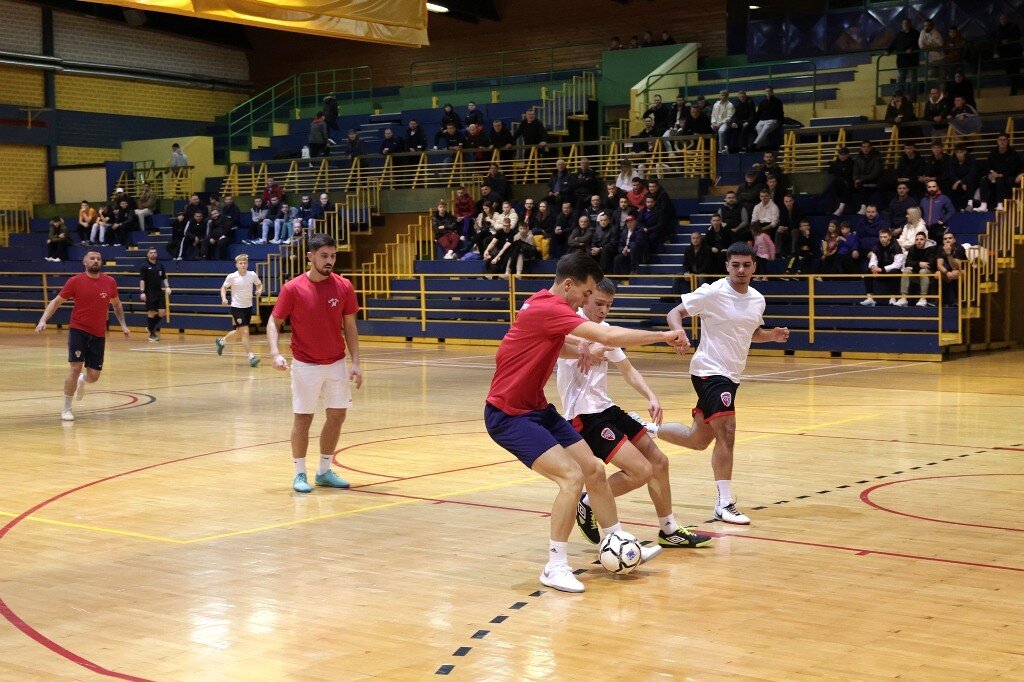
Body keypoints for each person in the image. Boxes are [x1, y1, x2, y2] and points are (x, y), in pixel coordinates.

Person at [484, 252, 688, 593]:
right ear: (568, 286)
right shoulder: (551, 308)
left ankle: (614, 540)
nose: (588, 299)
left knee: (593, 469)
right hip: (508, 415)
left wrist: (577, 347)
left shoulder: (538, 303)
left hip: (537, 408)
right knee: (572, 476)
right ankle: (555, 565)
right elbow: (607, 338)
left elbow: (551, 345)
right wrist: (664, 336)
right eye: (587, 291)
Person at [556, 279, 713, 549]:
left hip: (606, 408)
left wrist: (651, 396)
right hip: (584, 416)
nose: (604, 310)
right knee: (640, 471)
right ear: (586, 298)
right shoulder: (571, 324)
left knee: (659, 461)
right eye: (599, 304)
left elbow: (627, 370)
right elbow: (556, 341)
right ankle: (589, 501)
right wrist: (583, 346)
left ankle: (669, 529)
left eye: (609, 305)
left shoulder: (605, 331)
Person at [660, 242, 789, 524]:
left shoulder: (757, 299)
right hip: (708, 369)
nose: (741, 270)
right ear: (727, 266)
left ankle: (644, 430)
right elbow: (675, 313)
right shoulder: (713, 292)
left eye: (746, 265)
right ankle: (724, 503)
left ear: (755, 266)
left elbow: (752, 333)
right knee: (727, 430)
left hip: (732, 375)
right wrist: (678, 332)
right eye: (735, 265)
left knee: (698, 439)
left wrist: (773, 336)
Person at [267, 233, 362, 493]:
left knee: (337, 415)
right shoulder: (293, 288)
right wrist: (275, 352)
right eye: (324, 256)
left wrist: (356, 362)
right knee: (303, 418)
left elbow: (350, 327)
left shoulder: (343, 286)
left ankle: (323, 471)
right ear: (310, 257)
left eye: (333, 256)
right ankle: (299, 474)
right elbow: (273, 322)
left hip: (336, 363)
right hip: (305, 364)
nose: (329, 260)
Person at [34, 251, 130, 422]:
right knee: (75, 367)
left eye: (99, 259)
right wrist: (43, 320)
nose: (96, 261)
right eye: (92, 258)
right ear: (84, 262)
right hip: (79, 330)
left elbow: (117, 305)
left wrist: (123, 325)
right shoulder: (75, 281)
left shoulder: (110, 282)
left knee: (94, 376)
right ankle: (66, 408)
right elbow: (56, 302)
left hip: (99, 333)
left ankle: (82, 381)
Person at [216, 254, 264, 368]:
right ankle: (251, 357)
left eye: (245, 263)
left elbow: (259, 284)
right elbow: (223, 287)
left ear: (247, 264)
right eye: (240, 263)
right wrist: (224, 298)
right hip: (237, 307)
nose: (243, 265)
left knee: (239, 331)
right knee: (245, 332)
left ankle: (222, 341)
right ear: (236, 265)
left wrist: (259, 291)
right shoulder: (232, 276)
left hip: (248, 307)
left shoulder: (252, 275)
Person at [859, 228, 905, 306]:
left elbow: (898, 264)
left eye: (885, 237)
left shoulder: (896, 246)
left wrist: (882, 269)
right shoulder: (877, 246)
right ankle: (870, 298)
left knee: (895, 271)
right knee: (867, 271)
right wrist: (873, 267)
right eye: (881, 237)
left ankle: (893, 298)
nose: (882, 239)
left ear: (890, 237)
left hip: (890, 272)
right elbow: (873, 260)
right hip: (880, 271)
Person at [139, 248, 170, 342]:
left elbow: (164, 277)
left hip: (159, 291)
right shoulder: (144, 266)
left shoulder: (160, 265)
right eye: (151, 253)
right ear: (148, 254)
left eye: (155, 252)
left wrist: (167, 286)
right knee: (151, 312)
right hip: (149, 292)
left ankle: (149, 327)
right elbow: (142, 280)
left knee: (162, 312)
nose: (153, 254)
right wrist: (142, 292)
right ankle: (152, 334)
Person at [899, 231, 937, 307]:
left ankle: (923, 298)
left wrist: (914, 265)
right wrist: (919, 263)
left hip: (930, 274)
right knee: (906, 271)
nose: (919, 241)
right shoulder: (912, 249)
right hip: (916, 273)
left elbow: (931, 264)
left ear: (925, 240)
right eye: (917, 240)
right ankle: (904, 298)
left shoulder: (932, 248)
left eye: (921, 239)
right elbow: (907, 263)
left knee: (922, 271)